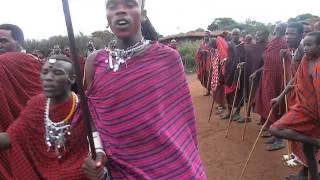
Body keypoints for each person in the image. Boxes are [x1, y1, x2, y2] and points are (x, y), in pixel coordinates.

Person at [82, 0, 207, 179]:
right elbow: (90, 112)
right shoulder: (94, 63)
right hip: (122, 172)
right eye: (112, 6)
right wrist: (98, 148)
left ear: (144, 13)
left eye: (129, 4)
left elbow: (182, 121)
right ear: (106, 17)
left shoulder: (168, 58)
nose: (120, 11)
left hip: (173, 167)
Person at [0, 55, 92, 179]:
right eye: (45, 72)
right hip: (41, 173)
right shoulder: (36, 105)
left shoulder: (85, 107)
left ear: (72, 78)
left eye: (57, 73)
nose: (48, 78)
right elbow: (13, 136)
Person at [269, 32, 320, 180]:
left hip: (315, 111)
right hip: (304, 107)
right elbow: (294, 80)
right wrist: (279, 97)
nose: (305, 48)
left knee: (275, 128)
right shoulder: (305, 60)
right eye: (304, 44)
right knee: (308, 149)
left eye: (309, 45)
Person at [0, 24, 43, 179]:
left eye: (3, 41)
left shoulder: (2, 64)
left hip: (14, 136)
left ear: (19, 43)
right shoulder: (38, 61)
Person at [254, 23, 288, 151]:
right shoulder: (272, 43)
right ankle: (275, 135)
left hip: (278, 81)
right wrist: (257, 72)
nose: (277, 29)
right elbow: (266, 61)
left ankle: (280, 140)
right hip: (267, 78)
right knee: (268, 105)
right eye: (276, 28)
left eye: (279, 28)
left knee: (276, 107)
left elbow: (287, 62)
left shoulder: (284, 44)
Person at [240, 28, 269, 123]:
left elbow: (268, 63)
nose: (257, 36)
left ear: (266, 35)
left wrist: (257, 71)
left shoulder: (269, 47)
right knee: (251, 94)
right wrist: (244, 63)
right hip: (252, 76)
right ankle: (247, 116)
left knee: (264, 97)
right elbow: (251, 60)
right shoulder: (254, 47)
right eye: (256, 34)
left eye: (260, 35)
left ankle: (263, 119)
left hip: (264, 75)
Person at [222, 28, 245, 121]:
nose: (235, 36)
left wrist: (243, 63)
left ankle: (237, 112)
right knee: (228, 93)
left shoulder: (242, 46)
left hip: (239, 72)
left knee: (238, 93)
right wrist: (224, 61)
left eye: (237, 34)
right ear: (231, 35)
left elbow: (245, 58)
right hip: (229, 71)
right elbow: (226, 56)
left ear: (239, 35)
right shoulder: (228, 45)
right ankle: (229, 111)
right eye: (233, 34)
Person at [196, 31, 212, 96]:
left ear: (209, 36)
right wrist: (201, 52)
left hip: (209, 62)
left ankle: (211, 90)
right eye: (205, 36)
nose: (205, 37)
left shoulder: (211, 43)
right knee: (204, 76)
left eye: (207, 36)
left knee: (210, 76)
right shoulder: (202, 44)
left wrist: (207, 51)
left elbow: (214, 51)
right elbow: (198, 52)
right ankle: (208, 90)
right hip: (203, 62)